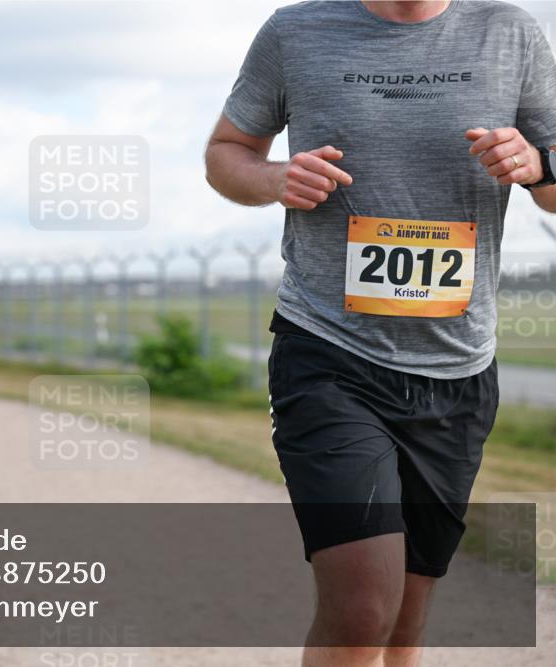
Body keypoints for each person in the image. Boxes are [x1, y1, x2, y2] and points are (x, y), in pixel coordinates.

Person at [204, 2, 556, 666]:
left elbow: (553, 180)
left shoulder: (509, 34)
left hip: (456, 372)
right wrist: (275, 178)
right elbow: (226, 154)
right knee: (363, 606)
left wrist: (538, 163)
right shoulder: (296, 32)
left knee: (403, 625)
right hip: (329, 352)